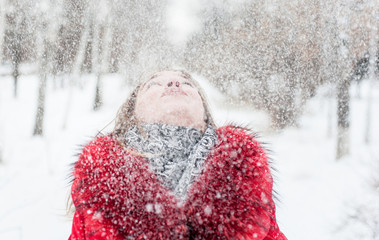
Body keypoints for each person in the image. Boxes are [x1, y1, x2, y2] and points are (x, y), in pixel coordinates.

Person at [68, 70, 287, 240]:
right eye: (154, 83)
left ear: (204, 113)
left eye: (187, 83)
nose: (174, 84)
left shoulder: (244, 174)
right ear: (132, 112)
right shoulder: (102, 178)